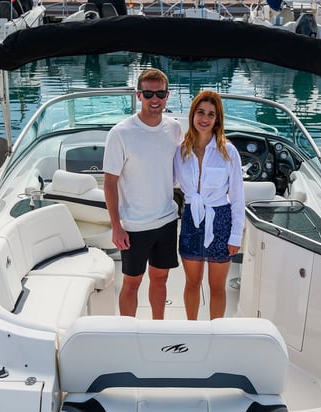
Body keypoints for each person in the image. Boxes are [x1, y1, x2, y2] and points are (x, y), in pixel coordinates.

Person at [103, 68, 183, 319]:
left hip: (167, 220)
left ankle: (157, 327)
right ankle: (128, 330)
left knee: (160, 279)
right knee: (132, 282)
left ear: (167, 95)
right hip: (134, 225)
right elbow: (109, 182)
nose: (154, 99)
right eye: (148, 93)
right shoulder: (120, 133)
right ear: (139, 95)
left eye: (160, 93)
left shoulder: (174, 128)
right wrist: (116, 226)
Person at [174, 90, 245, 320]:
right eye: (200, 112)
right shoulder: (180, 151)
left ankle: (216, 332)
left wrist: (236, 236)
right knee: (192, 283)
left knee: (217, 287)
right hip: (190, 221)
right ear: (193, 114)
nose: (205, 119)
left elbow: (237, 198)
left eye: (211, 114)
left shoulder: (229, 152)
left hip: (220, 222)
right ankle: (191, 328)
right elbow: (166, 182)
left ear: (217, 120)